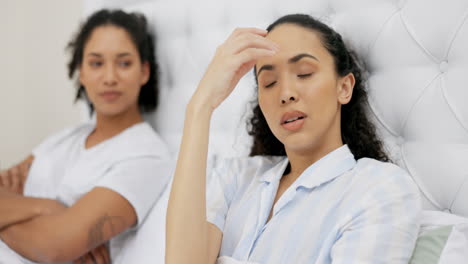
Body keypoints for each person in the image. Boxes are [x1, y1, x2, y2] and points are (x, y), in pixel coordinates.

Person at [166, 14, 421, 264]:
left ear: (343, 88)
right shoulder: (236, 176)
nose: (286, 93)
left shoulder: (378, 188)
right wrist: (199, 107)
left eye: (304, 73)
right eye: (269, 82)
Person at [0, 9, 171, 264]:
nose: (110, 78)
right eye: (96, 63)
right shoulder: (63, 139)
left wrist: (11, 207)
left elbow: (52, 248)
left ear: (144, 72)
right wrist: (47, 208)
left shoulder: (147, 155)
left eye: (124, 63)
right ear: (81, 72)